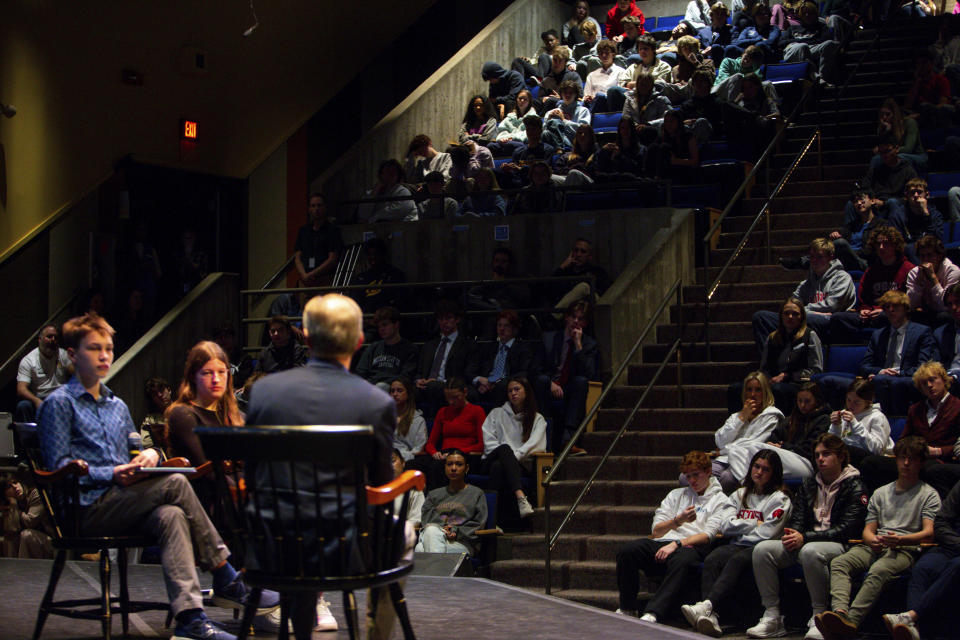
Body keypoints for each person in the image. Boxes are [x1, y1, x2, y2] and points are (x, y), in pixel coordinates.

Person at [37, 312, 278, 640]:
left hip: (125, 501)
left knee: (171, 514)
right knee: (178, 483)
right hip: (85, 509)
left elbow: (135, 454)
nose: (105, 355)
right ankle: (225, 574)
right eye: (95, 348)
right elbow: (58, 468)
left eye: (108, 348)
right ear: (72, 354)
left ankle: (190, 619)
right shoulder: (58, 404)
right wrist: (110, 472)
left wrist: (153, 455)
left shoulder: (117, 406)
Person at [245, 293, 398, 638]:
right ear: (359, 342)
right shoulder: (377, 402)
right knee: (401, 532)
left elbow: (254, 476)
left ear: (306, 336)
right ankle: (376, 634)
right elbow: (381, 487)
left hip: (271, 542)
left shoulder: (265, 392)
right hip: (343, 548)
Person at [815, 436, 940, 640]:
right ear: (896, 460)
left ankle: (851, 622)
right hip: (876, 545)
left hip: (905, 549)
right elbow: (868, 529)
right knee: (839, 563)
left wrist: (901, 540)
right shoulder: (881, 492)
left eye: (912, 459)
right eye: (902, 458)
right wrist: (871, 539)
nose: (906, 463)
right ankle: (839, 614)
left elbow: (929, 533)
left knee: (879, 570)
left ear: (921, 462)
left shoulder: (928, 494)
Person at [747, 434, 868, 640]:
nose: (820, 458)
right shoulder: (809, 483)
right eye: (817, 454)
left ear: (840, 457)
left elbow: (848, 528)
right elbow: (798, 516)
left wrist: (805, 537)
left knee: (811, 552)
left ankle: (818, 616)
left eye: (826, 454)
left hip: (838, 544)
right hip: (805, 540)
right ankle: (772, 616)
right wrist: (793, 534)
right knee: (763, 549)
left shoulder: (855, 486)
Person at [681, 449, 792, 637]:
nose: (759, 472)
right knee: (713, 558)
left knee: (737, 560)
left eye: (765, 469)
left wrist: (741, 529)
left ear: (774, 473)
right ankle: (712, 617)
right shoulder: (739, 495)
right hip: (738, 544)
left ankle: (706, 606)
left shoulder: (780, 499)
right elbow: (724, 526)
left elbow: (767, 533)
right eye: (756, 466)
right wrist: (753, 524)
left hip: (764, 548)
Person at [615, 451, 728, 623]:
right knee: (628, 550)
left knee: (683, 560)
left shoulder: (721, 500)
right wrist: (678, 520)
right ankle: (628, 607)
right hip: (663, 541)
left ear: (708, 471)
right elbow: (656, 531)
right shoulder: (676, 494)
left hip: (691, 545)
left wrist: (676, 543)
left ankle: (653, 611)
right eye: (688, 476)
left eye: (696, 475)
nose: (692, 481)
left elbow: (707, 535)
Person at [859, 362, 960, 495]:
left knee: (929, 471)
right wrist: (906, 450)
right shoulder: (916, 409)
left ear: (943, 379)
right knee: (870, 463)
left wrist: (938, 451)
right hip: (913, 458)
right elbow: (903, 440)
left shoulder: (957, 407)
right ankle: (877, 508)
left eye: (932, 380)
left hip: (939, 461)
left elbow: (957, 447)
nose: (929, 385)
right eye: (924, 383)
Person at [884, 476, 960, 640]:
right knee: (923, 568)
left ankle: (910, 617)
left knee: (957, 566)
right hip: (953, 545)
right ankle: (915, 631)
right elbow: (941, 522)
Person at [752, 239, 856, 351]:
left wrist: (801, 311)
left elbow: (832, 306)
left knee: (802, 320)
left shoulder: (842, 277)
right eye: (812, 257)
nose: (815, 261)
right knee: (761, 317)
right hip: (808, 316)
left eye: (819, 257)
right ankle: (770, 363)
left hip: (830, 321)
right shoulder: (809, 280)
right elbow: (793, 301)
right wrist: (795, 311)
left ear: (830, 257)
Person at [727, 381, 830, 485]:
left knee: (752, 446)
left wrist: (784, 446)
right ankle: (746, 484)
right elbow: (773, 439)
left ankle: (749, 484)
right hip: (784, 458)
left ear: (817, 401)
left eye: (807, 401)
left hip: (805, 463)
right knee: (734, 449)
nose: (802, 405)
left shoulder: (823, 419)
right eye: (800, 401)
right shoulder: (791, 419)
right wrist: (776, 445)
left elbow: (809, 449)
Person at [828, 226, 915, 344]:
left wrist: (883, 310)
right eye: (878, 244)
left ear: (895, 245)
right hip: (871, 315)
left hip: (894, 315)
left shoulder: (908, 269)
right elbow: (864, 297)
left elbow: (910, 302)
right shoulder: (871, 271)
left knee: (888, 317)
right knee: (837, 318)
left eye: (886, 244)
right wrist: (864, 310)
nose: (881, 247)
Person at [741, 296, 825, 414]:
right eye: (786, 313)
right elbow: (763, 368)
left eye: (795, 314)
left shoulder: (810, 336)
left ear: (801, 317)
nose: (790, 317)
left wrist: (787, 376)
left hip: (797, 384)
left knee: (778, 390)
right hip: (773, 382)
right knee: (738, 389)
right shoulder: (772, 337)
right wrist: (766, 379)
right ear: (781, 316)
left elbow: (816, 370)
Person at [535, 301, 599, 455]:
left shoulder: (589, 344)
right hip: (548, 384)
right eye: (573, 317)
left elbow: (589, 374)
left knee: (581, 382)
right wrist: (551, 383)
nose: (576, 321)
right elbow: (535, 369)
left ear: (585, 323)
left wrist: (578, 346)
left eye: (580, 319)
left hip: (569, 388)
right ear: (566, 318)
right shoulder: (548, 339)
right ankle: (543, 438)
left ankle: (568, 441)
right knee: (541, 380)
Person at [481, 376, 547, 520]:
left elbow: (535, 444)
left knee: (499, 468)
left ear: (527, 392)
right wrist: (508, 457)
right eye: (510, 391)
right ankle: (521, 497)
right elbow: (489, 440)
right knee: (504, 449)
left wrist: (511, 459)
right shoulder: (497, 413)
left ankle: (493, 520)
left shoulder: (537, 418)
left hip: (520, 464)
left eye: (517, 389)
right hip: (493, 457)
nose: (513, 393)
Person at [712, 371, 785, 492]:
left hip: (746, 462)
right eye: (749, 390)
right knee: (688, 475)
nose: (752, 394)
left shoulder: (771, 416)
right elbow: (720, 441)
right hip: (724, 460)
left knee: (726, 479)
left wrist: (722, 451)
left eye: (758, 390)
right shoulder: (737, 416)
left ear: (765, 392)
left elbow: (751, 444)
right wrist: (742, 418)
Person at [414, 449, 488, 555]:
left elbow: (479, 524)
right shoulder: (434, 494)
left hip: (462, 543)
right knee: (427, 538)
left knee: (421, 549)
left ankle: (436, 570)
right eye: (449, 464)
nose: (453, 468)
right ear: (445, 468)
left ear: (466, 468)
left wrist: (455, 531)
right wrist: (444, 531)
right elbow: (427, 521)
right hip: (435, 537)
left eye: (459, 464)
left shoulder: (476, 494)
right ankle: (439, 571)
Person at [421, 378, 486, 489]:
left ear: (465, 392)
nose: (451, 402)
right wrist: (434, 453)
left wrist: (456, 452)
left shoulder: (476, 411)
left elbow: (481, 445)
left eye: (455, 397)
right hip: (443, 454)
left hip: (466, 454)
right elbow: (430, 443)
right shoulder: (442, 412)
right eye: (448, 398)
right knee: (413, 464)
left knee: (438, 467)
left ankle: (435, 501)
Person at [414, 300, 479, 409]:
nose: (444, 322)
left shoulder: (468, 345)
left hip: (449, 385)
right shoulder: (429, 345)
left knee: (434, 387)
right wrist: (418, 380)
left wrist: (442, 382)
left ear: (457, 319)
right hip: (427, 385)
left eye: (448, 318)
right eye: (441, 319)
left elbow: (468, 374)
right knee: (405, 390)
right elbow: (419, 371)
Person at [472, 310, 535, 406]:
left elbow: (523, 372)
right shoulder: (489, 347)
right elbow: (475, 368)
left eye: (506, 326)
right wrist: (480, 380)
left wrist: (494, 382)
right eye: (499, 325)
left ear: (514, 328)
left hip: (505, 386)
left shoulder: (523, 348)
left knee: (501, 387)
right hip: (486, 385)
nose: (502, 329)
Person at [828, 378, 894, 467]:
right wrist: (836, 426)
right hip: (847, 459)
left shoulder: (878, 417)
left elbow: (877, 450)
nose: (851, 405)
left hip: (871, 463)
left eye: (857, 402)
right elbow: (833, 444)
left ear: (868, 402)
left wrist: (855, 425)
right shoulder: (845, 414)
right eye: (848, 400)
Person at [16, 324, 72, 423]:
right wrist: (36, 401)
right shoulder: (29, 360)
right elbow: (21, 389)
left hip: (61, 396)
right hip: (40, 397)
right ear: (40, 339)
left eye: (56, 337)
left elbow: (77, 373)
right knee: (23, 406)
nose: (53, 340)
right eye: (49, 336)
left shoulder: (63, 355)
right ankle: (29, 437)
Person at [354, 307, 418, 390]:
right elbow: (360, 372)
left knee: (381, 386)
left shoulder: (409, 349)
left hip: (393, 388)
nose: (381, 329)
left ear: (396, 325)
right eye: (379, 326)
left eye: (385, 324)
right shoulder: (373, 347)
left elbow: (406, 376)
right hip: (371, 387)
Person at [906, 234, 959, 327]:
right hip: (925, 313)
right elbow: (910, 305)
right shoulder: (914, 273)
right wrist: (918, 284)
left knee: (944, 317)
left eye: (929, 255)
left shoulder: (952, 271)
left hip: (946, 314)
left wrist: (934, 280)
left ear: (939, 256)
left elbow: (946, 306)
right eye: (922, 256)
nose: (926, 259)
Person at [780, 2, 839, 84]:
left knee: (830, 43)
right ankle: (814, 75)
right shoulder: (793, 28)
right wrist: (803, 41)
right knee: (802, 46)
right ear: (800, 15)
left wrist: (801, 41)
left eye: (810, 13)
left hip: (812, 48)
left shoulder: (821, 27)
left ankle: (823, 77)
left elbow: (824, 39)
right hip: (794, 50)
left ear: (815, 14)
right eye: (804, 13)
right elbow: (782, 42)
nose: (807, 15)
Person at [294, 193, 342, 287]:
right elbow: (297, 257)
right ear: (309, 209)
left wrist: (312, 274)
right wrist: (304, 275)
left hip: (325, 279)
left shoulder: (332, 230)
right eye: (313, 206)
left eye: (319, 205)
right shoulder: (303, 231)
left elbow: (332, 258)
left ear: (325, 207)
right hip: (305, 279)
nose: (316, 209)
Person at [0, 473, 54, 558]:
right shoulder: (13, 502)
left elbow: (30, 522)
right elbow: (12, 530)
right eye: (9, 486)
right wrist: (11, 505)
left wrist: (16, 508)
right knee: (9, 539)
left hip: (51, 542)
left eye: (15, 482)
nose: (15, 487)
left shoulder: (36, 493)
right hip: (34, 543)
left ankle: (23, 570)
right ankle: (12, 570)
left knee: (27, 535)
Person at [872, 98, 927, 174]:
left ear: (895, 114)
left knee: (899, 158)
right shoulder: (883, 128)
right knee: (876, 159)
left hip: (915, 156)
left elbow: (908, 149)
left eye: (888, 114)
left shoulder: (909, 123)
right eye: (882, 114)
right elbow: (880, 148)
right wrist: (887, 132)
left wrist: (889, 151)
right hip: (893, 154)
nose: (884, 117)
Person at [356, 159, 418, 223]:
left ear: (397, 176)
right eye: (387, 171)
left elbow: (395, 212)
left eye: (393, 173)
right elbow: (363, 214)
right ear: (381, 174)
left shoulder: (402, 191)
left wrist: (371, 220)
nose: (389, 175)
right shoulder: (371, 192)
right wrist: (374, 193)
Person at [389, 377, 427, 463]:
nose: (395, 394)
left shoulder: (418, 420)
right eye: (392, 391)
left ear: (408, 394)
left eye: (399, 391)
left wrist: (400, 458)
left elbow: (418, 450)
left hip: (405, 460)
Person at [582, 40, 624, 113]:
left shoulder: (621, 72)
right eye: (601, 53)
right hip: (593, 105)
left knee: (600, 96)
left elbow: (619, 95)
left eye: (607, 53)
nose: (604, 56)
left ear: (613, 54)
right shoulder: (592, 75)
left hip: (610, 107)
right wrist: (588, 98)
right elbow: (586, 95)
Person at [391, 449, 424, 529]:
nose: (389, 465)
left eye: (393, 461)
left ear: (403, 463)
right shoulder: (375, 488)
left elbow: (416, 520)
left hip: (403, 534)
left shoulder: (413, 489)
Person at [935, 282, 960, 381]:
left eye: (958, 302)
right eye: (950, 304)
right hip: (946, 380)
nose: (954, 308)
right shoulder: (941, 333)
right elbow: (935, 364)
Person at [140, 376, 172, 450]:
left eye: (162, 390)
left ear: (169, 390)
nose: (160, 395)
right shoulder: (150, 420)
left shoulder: (183, 410)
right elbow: (146, 445)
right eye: (155, 394)